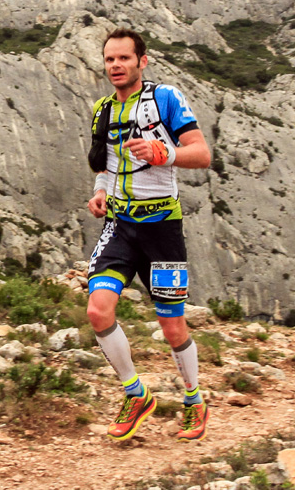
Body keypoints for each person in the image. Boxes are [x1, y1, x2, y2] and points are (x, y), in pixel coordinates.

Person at [85, 28, 212, 442]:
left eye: (124, 58)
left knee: (172, 326)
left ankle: (194, 401)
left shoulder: (166, 99)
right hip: (120, 225)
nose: (116, 66)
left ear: (142, 61)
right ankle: (135, 394)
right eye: (109, 60)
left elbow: (202, 154)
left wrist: (165, 153)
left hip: (162, 230)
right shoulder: (102, 109)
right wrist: (100, 193)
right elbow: (104, 163)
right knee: (98, 310)